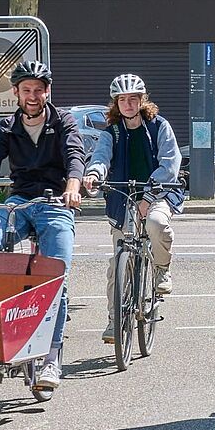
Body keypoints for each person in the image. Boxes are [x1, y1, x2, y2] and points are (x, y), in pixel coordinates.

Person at [0, 61, 85, 391]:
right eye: (27, 90)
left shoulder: (63, 121)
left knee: (57, 275)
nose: (33, 96)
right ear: (16, 93)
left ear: (47, 92)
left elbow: (75, 154)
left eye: (39, 89)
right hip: (20, 201)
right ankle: (7, 315)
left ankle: (52, 358)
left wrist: (73, 186)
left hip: (54, 204)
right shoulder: (8, 126)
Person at [82, 74, 184, 343]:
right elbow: (101, 158)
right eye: (123, 99)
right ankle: (115, 321)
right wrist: (93, 174)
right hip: (123, 197)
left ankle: (162, 268)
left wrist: (149, 196)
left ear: (142, 100)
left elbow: (170, 164)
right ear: (116, 103)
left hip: (158, 192)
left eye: (133, 98)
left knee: (157, 224)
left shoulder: (159, 126)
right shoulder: (112, 132)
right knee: (118, 263)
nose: (128, 104)